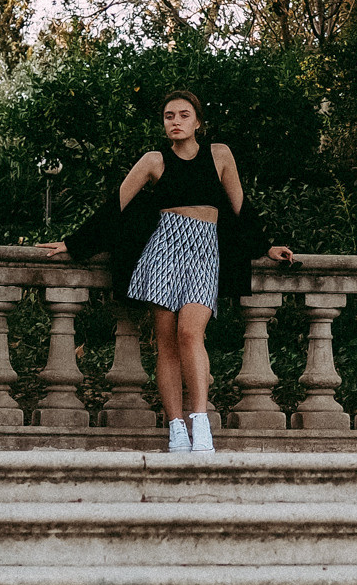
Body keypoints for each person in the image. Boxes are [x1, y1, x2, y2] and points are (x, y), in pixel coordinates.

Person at [42, 90, 294, 454]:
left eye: (183, 115)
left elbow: (241, 209)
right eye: (168, 116)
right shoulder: (154, 160)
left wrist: (265, 247)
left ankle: (200, 422)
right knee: (166, 343)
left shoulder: (219, 154)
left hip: (206, 250)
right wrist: (74, 243)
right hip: (164, 251)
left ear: (198, 122)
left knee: (191, 333)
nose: (175, 121)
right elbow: (115, 206)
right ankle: (176, 427)